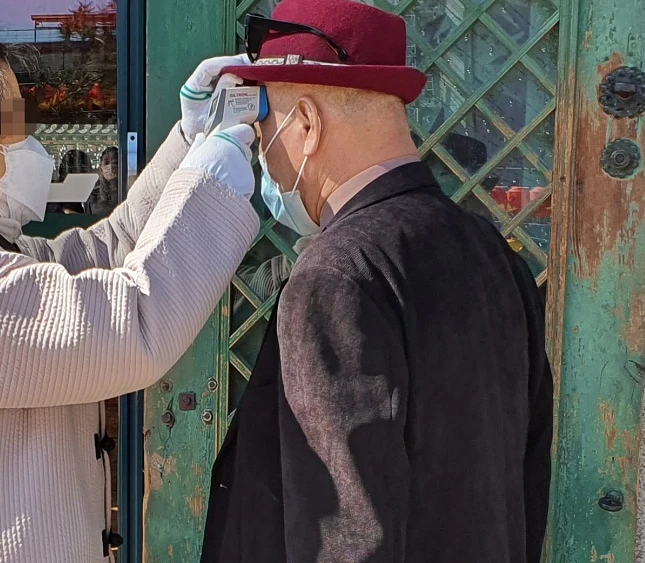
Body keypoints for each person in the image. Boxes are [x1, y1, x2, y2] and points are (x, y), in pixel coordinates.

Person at [0, 29, 257, 562]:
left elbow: (106, 248)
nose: (32, 141)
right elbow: (130, 325)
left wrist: (189, 141)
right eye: (15, 122)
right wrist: (210, 185)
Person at [200, 2, 554, 563]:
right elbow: (528, 483)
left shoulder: (336, 276)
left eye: (263, 129)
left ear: (308, 125)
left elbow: (344, 538)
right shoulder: (493, 252)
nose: (264, 154)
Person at [85, 146, 119, 215]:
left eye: (115, 162)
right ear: (101, 166)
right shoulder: (94, 193)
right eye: (106, 163)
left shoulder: (127, 189)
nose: (111, 166)